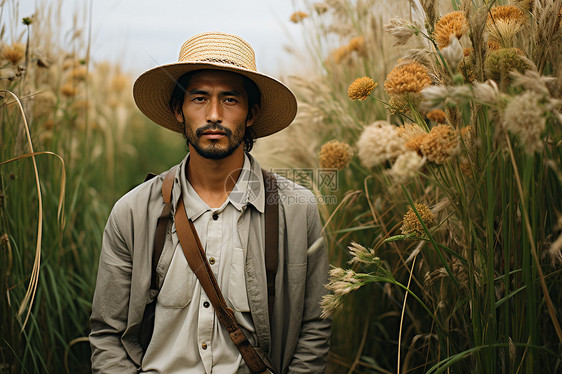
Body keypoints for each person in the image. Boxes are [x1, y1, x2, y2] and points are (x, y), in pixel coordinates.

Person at [89, 31, 331, 373]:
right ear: (178, 109)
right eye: (199, 98)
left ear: (251, 114)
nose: (214, 114)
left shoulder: (296, 209)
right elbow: (107, 335)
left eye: (230, 100)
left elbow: (314, 328)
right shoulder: (132, 213)